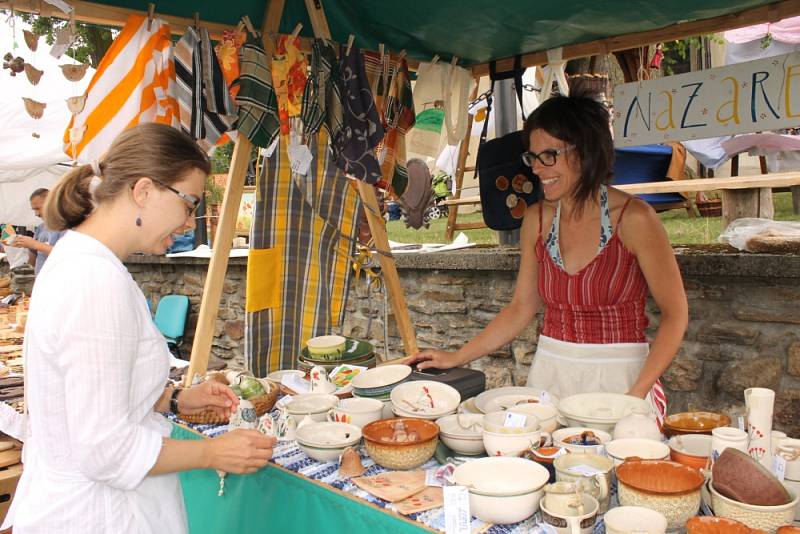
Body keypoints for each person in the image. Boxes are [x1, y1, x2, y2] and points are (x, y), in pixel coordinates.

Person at [4, 123, 276, 534]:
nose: (189, 223)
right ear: (144, 191)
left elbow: (97, 392)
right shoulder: (94, 280)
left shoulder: (84, 263)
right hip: (99, 517)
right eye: (189, 203)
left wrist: (174, 399)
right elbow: (105, 450)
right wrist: (212, 453)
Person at [408, 89, 688, 414]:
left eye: (549, 156)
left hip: (621, 376)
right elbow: (521, 307)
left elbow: (675, 314)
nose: (538, 169)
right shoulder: (537, 220)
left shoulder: (634, 218)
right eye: (533, 157)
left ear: (585, 152)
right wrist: (457, 356)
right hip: (551, 372)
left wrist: (635, 393)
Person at [10, 189, 65, 275]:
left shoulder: (67, 226)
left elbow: (66, 255)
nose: (36, 214)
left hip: (59, 282)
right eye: (34, 210)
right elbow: (34, 257)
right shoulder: (41, 227)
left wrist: (35, 244)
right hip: (42, 283)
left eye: (38, 208)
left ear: (51, 203)